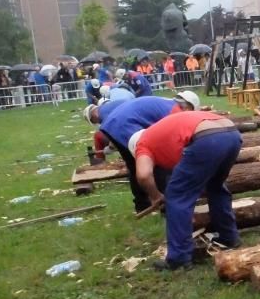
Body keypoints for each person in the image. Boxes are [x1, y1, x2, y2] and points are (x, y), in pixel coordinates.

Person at [129, 110, 242, 271]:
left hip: (207, 137)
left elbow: (143, 175)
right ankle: (229, 237)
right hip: (232, 133)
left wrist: (155, 196)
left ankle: (179, 258)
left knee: (176, 196)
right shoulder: (160, 134)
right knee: (215, 186)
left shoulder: (143, 144)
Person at [99, 92, 201, 211]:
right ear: (189, 106)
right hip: (125, 124)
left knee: (135, 166)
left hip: (112, 124)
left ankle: (142, 205)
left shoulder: (166, 104)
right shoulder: (175, 111)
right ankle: (166, 204)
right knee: (156, 163)